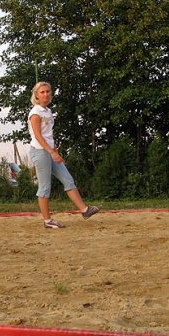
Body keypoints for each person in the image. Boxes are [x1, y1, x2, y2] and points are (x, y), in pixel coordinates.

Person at [27, 81, 100, 228]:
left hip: (50, 150)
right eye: (42, 92)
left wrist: (56, 152)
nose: (45, 94)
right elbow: (38, 136)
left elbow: (48, 135)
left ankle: (85, 210)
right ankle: (47, 221)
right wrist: (52, 153)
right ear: (36, 95)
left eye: (48, 91)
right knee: (45, 187)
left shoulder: (47, 111)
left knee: (68, 180)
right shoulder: (35, 113)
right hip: (40, 151)